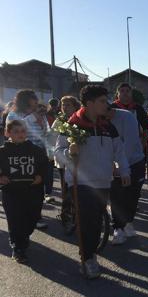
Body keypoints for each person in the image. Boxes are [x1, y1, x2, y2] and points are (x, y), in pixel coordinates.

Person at [55, 85, 130, 279]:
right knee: (88, 222)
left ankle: (89, 253)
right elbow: (56, 153)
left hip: (103, 181)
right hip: (80, 182)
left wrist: (124, 170)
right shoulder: (72, 125)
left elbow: (119, 150)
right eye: (103, 101)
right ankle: (88, 259)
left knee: (96, 222)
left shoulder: (107, 126)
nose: (107, 105)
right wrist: (68, 152)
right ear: (89, 103)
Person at [0, 120, 46, 264]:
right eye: (16, 131)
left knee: (31, 219)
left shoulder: (36, 150)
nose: (20, 134)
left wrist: (41, 176)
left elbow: (45, 167)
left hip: (33, 191)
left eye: (23, 131)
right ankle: (18, 247)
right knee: (15, 220)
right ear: (8, 133)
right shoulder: (2, 151)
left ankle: (23, 236)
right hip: (11, 192)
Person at [7, 90, 52, 228]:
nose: (36, 104)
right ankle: (22, 215)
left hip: (39, 154)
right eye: (33, 101)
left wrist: (43, 125)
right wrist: (33, 117)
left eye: (36, 101)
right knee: (22, 186)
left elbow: (46, 133)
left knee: (38, 187)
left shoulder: (39, 115)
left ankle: (36, 216)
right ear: (24, 101)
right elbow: (15, 129)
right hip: (21, 155)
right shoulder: (14, 114)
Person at [106, 105, 145, 244]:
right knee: (116, 197)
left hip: (134, 161)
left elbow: (129, 144)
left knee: (132, 196)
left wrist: (121, 166)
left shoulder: (127, 117)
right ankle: (118, 228)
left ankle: (128, 222)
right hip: (113, 165)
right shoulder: (99, 119)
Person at [50, 95, 81, 233]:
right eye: (63, 105)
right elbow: (51, 137)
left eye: (68, 104)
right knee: (66, 191)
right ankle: (66, 215)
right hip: (63, 159)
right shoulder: (59, 120)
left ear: (75, 106)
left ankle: (79, 215)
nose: (65, 107)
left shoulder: (80, 119)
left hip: (78, 160)